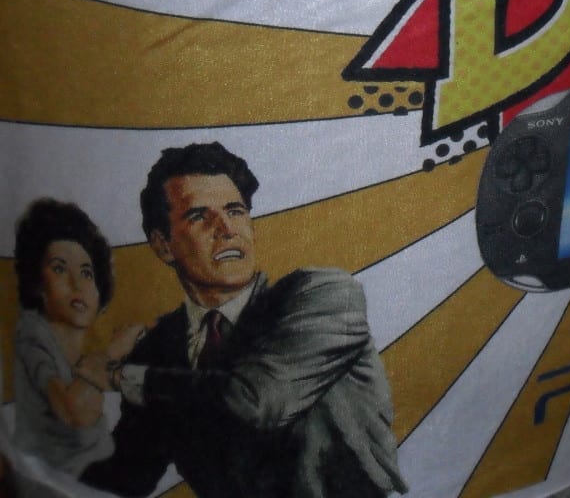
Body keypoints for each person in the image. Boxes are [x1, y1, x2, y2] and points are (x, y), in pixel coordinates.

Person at [80, 142, 408, 498]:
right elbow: (125, 478)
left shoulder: (326, 297)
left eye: (235, 211)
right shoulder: (161, 348)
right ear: (163, 245)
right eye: (199, 216)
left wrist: (117, 376)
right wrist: (83, 381)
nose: (225, 228)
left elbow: (258, 400)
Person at [12, 199, 143, 477]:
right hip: (52, 481)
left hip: (94, 472)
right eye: (59, 268)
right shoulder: (33, 333)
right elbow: (75, 412)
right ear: (38, 283)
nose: (77, 284)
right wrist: (112, 352)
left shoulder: (82, 347)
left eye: (86, 272)